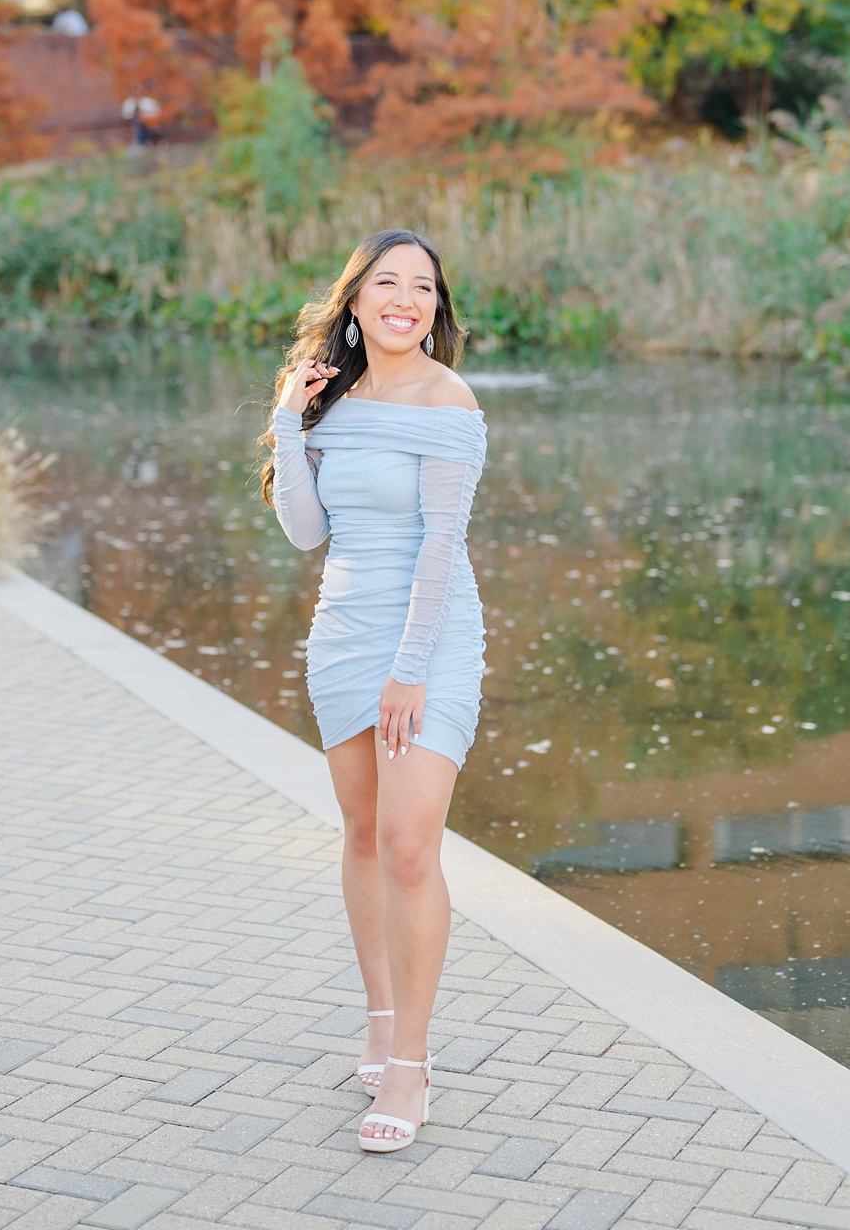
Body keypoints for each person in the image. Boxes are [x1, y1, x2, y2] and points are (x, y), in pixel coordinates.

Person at [260, 229, 485, 1157]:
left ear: (436, 306)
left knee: (405, 846)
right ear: (353, 302)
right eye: (386, 283)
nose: (405, 298)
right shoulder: (334, 402)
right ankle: (381, 1016)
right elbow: (308, 533)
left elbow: (440, 543)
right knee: (358, 833)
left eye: (422, 286)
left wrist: (408, 668)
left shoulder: (451, 401)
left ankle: (412, 1066)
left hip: (427, 642)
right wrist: (287, 419)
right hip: (343, 634)